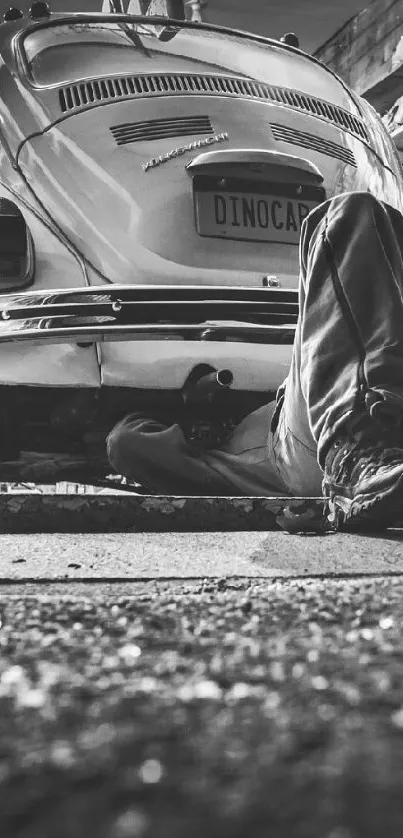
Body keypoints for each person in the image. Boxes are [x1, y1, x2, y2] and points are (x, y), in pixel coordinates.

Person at [106, 192, 403, 530]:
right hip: (303, 452)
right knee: (345, 217)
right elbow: (125, 442)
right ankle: (356, 457)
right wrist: (189, 414)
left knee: (382, 231)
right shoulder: (221, 466)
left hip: (342, 414)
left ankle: (363, 453)